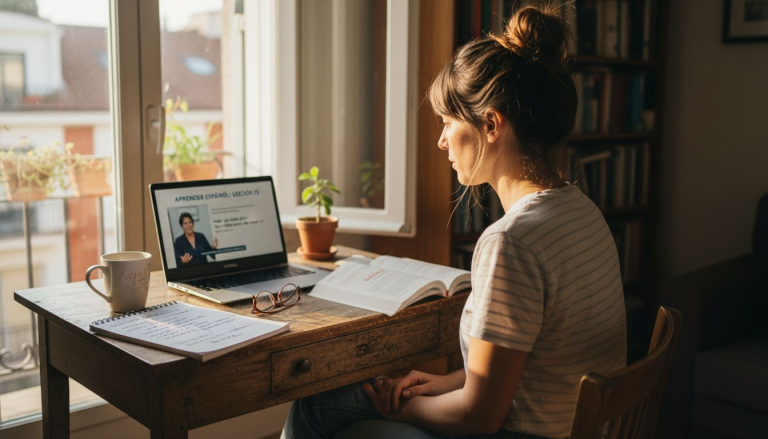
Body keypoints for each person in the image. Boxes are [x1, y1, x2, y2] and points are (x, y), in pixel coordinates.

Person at [281, 4, 626, 439]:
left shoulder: (511, 242)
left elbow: (478, 418)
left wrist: (404, 412)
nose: (442, 140)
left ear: (491, 124)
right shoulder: (581, 211)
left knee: (317, 407)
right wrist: (446, 384)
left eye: (447, 122)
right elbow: (531, 363)